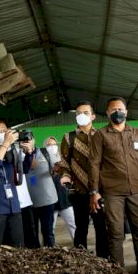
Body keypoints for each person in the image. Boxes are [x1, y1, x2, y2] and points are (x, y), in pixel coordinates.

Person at [89, 97, 138, 274]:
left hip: (136, 190)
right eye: (113, 110)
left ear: (127, 112)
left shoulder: (136, 133)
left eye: (121, 109)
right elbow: (94, 164)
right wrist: (94, 191)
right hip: (112, 192)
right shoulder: (101, 135)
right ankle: (118, 272)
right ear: (107, 113)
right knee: (115, 232)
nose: (118, 113)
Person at [59, 101, 109, 257]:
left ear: (93, 116)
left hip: (99, 191)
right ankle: (81, 259)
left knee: (102, 227)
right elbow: (64, 163)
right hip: (79, 190)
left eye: (86, 113)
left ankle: (104, 259)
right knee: (81, 227)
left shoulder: (101, 135)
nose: (82, 116)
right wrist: (65, 176)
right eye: (78, 113)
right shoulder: (69, 137)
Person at [0, 121, 38, 249]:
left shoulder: (16, 149)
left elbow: (25, 169)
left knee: (31, 235)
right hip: (6, 204)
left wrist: (30, 151)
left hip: (24, 201)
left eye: (5, 131)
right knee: (11, 239)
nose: (3, 134)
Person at [22, 133, 58, 247]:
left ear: (34, 140)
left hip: (47, 198)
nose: (27, 141)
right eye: (24, 139)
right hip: (28, 200)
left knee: (47, 230)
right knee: (31, 232)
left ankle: (50, 254)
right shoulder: (17, 155)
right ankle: (34, 258)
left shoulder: (45, 152)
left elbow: (57, 165)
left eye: (29, 139)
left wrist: (57, 169)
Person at [44, 136, 77, 242]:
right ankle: (49, 249)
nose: (52, 147)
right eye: (49, 145)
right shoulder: (42, 160)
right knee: (49, 229)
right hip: (50, 200)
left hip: (64, 199)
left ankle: (80, 248)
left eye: (54, 144)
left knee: (73, 225)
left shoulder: (62, 159)